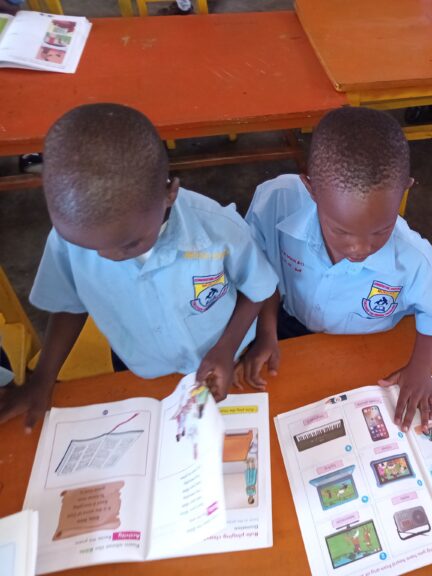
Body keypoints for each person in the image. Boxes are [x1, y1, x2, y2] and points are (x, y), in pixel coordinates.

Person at [0, 103, 278, 431]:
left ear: (169, 193)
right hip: (141, 364)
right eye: (91, 248)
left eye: (130, 245)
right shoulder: (71, 238)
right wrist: (43, 378)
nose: (108, 257)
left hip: (230, 354)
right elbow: (70, 303)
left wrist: (227, 347)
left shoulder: (215, 228)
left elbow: (258, 286)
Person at [240, 107, 432, 431]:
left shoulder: (414, 259)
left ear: (405, 189)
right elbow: (260, 267)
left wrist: (420, 367)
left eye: (380, 230)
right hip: (289, 327)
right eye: (341, 231)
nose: (360, 248)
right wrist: (267, 331)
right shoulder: (277, 200)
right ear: (310, 189)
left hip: (365, 349)